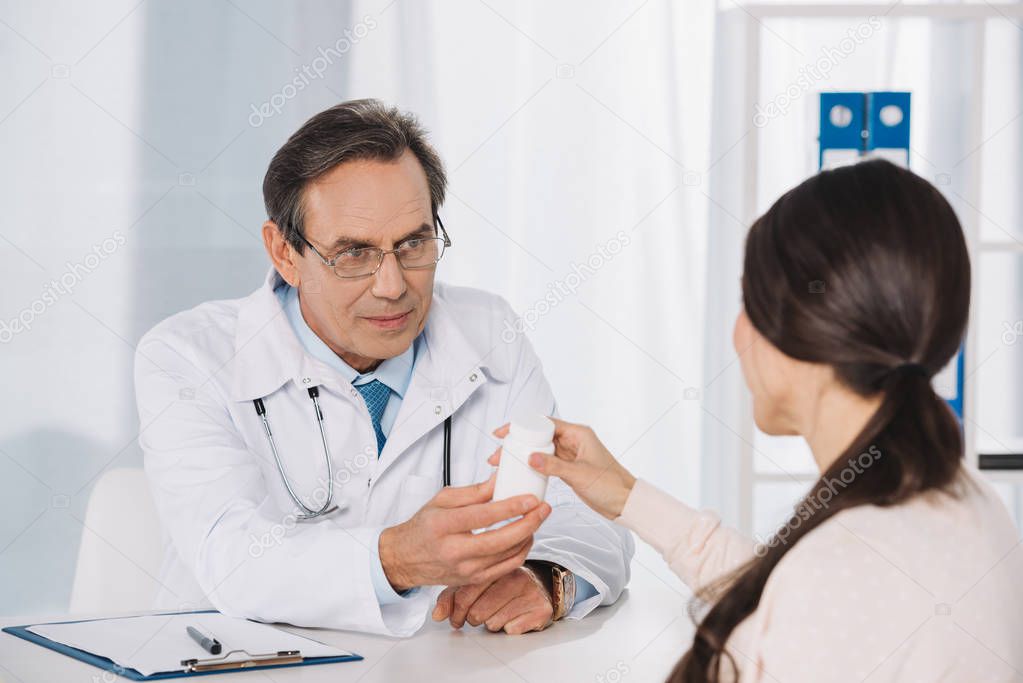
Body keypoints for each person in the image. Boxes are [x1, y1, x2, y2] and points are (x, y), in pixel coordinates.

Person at [489, 159, 1023, 681]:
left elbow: (808, 606)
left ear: (803, 332)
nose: (736, 335)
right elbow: (784, 600)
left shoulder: (838, 576)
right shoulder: (967, 503)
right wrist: (626, 495)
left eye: (748, 301)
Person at [134, 99, 633, 637]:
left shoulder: (489, 333)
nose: (393, 286)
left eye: (413, 243)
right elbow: (229, 557)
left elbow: (591, 515)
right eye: (354, 254)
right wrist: (395, 558)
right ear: (283, 253)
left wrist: (546, 579)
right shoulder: (187, 356)